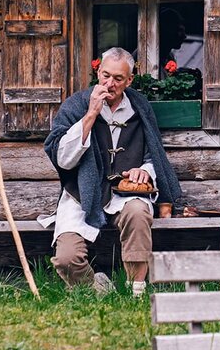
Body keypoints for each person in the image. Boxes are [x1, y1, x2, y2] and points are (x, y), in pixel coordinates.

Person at [44, 47, 182, 295]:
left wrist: (146, 170)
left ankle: (136, 290)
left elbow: (154, 153)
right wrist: (91, 114)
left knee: (138, 213)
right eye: (106, 75)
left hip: (126, 193)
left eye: (118, 79)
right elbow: (63, 159)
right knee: (66, 258)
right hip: (82, 192)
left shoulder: (139, 107)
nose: (110, 83)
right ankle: (95, 289)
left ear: (129, 80)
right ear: (98, 72)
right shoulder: (76, 105)